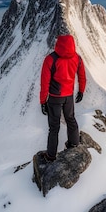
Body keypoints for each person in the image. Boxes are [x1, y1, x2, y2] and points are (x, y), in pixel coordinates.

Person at [38, 34, 86, 162]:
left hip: (54, 98)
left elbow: (45, 83)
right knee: (70, 119)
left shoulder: (50, 59)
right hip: (68, 97)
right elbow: (81, 76)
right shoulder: (77, 58)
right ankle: (74, 143)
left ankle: (51, 155)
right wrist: (81, 91)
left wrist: (43, 102)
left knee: (54, 127)